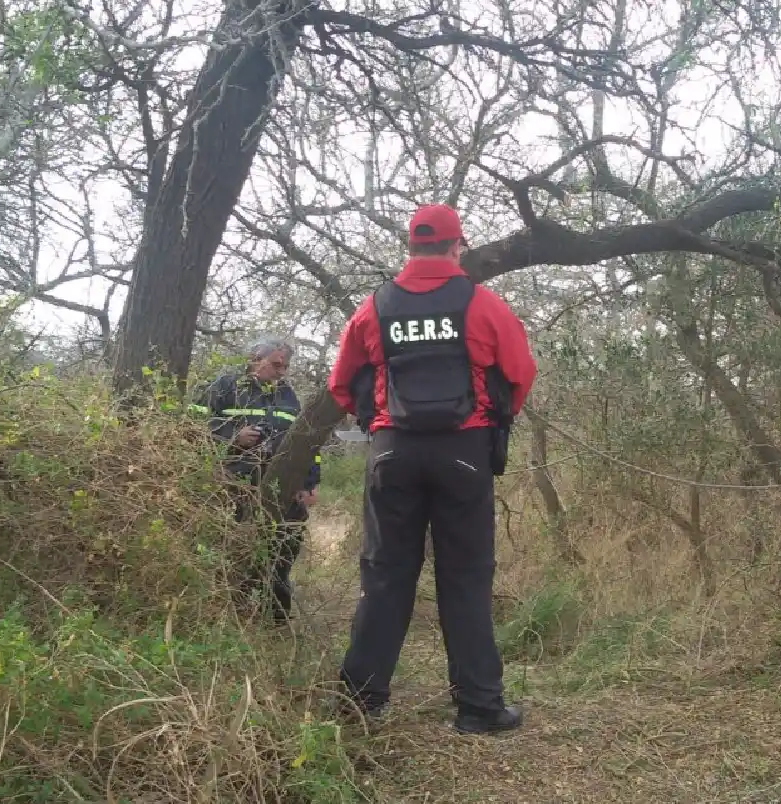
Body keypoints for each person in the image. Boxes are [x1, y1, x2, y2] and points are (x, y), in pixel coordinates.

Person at [326, 203, 537, 734]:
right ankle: (479, 707)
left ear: (410, 246)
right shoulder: (484, 304)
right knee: (465, 578)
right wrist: (488, 421)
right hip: (464, 453)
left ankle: (362, 703)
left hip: (391, 453)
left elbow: (340, 382)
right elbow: (519, 375)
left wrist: (378, 423)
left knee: (384, 575)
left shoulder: (373, 308)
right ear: (456, 246)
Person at [189, 335, 322, 624]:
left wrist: (310, 483)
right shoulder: (225, 385)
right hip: (234, 483)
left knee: (284, 549)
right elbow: (192, 427)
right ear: (254, 359)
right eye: (276, 364)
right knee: (232, 550)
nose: (281, 371)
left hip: (282, 487)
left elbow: (306, 441)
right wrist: (232, 438)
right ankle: (229, 616)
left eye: (285, 366)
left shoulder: (287, 394)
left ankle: (276, 622)